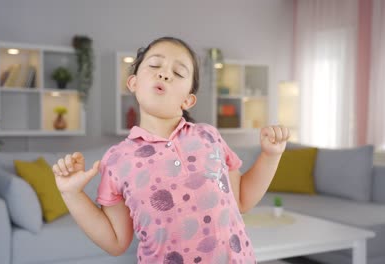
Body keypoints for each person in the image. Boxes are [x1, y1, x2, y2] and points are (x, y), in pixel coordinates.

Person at [52, 36, 290, 263]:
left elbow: (242, 200)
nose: (165, 73)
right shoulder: (116, 160)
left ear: (188, 100)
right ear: (133, 83)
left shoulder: (209, 136)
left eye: (178, 73)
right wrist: (72, 194)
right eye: (155, 65)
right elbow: (115, 241)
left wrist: (271, 155)